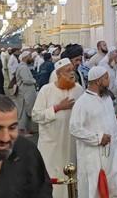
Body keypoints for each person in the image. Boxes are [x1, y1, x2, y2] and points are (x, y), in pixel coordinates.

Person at [70, 66, 117, 198]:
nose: (109, 80)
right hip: (93, 154)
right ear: (97, 81)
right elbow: (74, 128)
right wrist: (97, 138)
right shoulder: (82, 102)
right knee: (94, 188)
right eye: (106, 78)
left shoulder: (106, 98)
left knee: (114, 183)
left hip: (113, 151)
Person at [32, 58, 84, 198]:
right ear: (59, 74)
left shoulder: (78, 89)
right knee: (52, 175)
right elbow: (36, 115)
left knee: (72, 171)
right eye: (68, 71)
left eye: (72, 70)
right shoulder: (46, 90)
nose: (72, 73)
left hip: (72, 141)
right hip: (51, 143)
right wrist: (57, 108)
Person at [14, 51, 37, 137]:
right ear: (25, 58)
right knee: (22, 112)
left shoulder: (24, 66)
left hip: (26, 93)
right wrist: (34, 81)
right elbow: (26, 80)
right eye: (29, 56)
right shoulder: (23, 67)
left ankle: (27, 129)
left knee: (27, 111)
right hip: (24, 93)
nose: (31, 58)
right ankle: (22, 132)